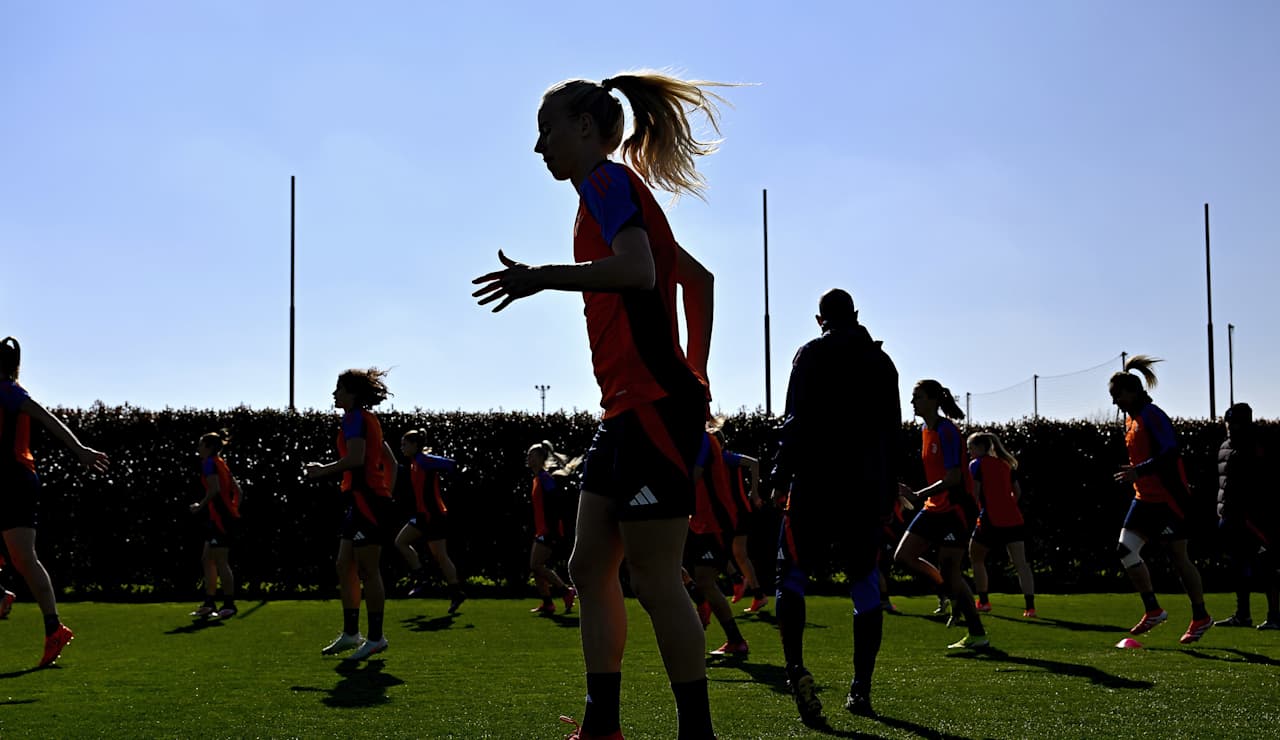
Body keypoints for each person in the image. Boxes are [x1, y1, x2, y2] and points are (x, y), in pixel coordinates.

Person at [472, 70, 727, 740]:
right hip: (626, 411)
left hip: (651, 407)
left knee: (653, 577)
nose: (538, 147)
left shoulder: (610, 184)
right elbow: (695, 279)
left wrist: (541, 278)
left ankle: (696, 733)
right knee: (589, 565)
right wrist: (696, 369)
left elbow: (644, 271)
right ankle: (602, 724)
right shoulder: (602, 195)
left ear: (585, 128)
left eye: (546, 129)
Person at [770, 289, 902, 721]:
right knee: (864, 584)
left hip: (814, 484)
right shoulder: (882, 363)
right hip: (864, 489)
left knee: (790, 575)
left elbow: (794, 420)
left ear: (819, 319)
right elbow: (892, 433)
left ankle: (795, 671)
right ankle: (860, 688)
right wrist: (888, 490)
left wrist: (778, 477)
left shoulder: (809, 354)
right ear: (857, 315)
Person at [0, 336, 109, 666]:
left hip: (15, 479)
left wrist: (81, 452)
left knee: (23, 557)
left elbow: (48, 419)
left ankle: (54, 628)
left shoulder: (9, 391)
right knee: (18, 557)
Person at [1109, 355, 1212, 643]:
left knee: (1179, 558)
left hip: (1169, 500)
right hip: (1144, 498)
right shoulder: (1130, 419)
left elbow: (1169, 453)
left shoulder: (1153, 416)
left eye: (1117, 396)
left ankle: (1201, 616)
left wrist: (1138, 471)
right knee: (1124, 550)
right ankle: (1153, 609)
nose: (1115, 402)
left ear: (1132, 392)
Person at [304, 368, 400, 661]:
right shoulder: (363, 419)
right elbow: (391, 463)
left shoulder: (356, 418)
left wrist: (322, 471)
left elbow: (357, 460)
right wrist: (386, 493)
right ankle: (351, 634)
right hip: (363, 501)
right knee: (344, 564)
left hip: (367, 501)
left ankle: (376, 638)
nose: (334, 393)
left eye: (339, 388)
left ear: (353, 393)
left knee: (368, 570)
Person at [895, 379, 989, 650]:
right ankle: (952, 592)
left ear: (934, 400)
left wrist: (916, 494)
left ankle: (977, 634)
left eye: (918, 397)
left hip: (956, 508)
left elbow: (954, 478)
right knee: (904, 557)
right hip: (934, 507)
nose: (913, 402)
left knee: (951, 572)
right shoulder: (925, 429)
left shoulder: (947, 431)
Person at [1212, 403, 1279, 630]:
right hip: (1230, 517)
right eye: (1229, 422)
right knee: (1239, 568)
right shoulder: (1224, 447)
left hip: (1253, 518)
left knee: (1265, 567)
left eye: (1236, 422)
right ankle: (1243, 615)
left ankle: (1274, 616)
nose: (1231, 427)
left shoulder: (1258, 446)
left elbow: (1265, 483)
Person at [685, 429, 750, 657]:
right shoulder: (699, 439)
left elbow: (693, 476)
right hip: (701, 522)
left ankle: (735, 639)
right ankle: (704, 601)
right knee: (674, 565)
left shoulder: (704, 440)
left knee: (705, 581)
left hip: (714, 522)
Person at [393, 428, 466, 613]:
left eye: (404, 444)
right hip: (422, 516)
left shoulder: (424, 460)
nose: (401, 447)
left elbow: (451, 465)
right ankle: (422, 579)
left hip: (434, 516)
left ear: (415, 445)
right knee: (401, 542)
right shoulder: (414, 462)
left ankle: (455, 592)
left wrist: (457, 473)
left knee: (440, 556)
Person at [966, 432, 1036, 618]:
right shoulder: (1006, 464)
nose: (969, 452)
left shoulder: (976, 465)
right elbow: (1017, 492)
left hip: (990, 518)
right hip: (1013, 518)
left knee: (976, 557)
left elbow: (974, 493)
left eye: (971, 448)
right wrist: (1006, 504)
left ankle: (984, 601)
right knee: (1021, 564)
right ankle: (1030, 607)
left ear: (980, 448)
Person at [187, 428, 242, 619]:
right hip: (220, 517)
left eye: (201, 445)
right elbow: (238, 491)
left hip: (221, 518)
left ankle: (229, 604)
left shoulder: (209, 463)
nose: (198, 448)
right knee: (207, 559)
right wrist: (234, 508)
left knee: (221, 561)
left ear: (209, 447)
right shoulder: (221, 464)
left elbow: (215, 490)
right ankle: (209, 603)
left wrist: (199, 506)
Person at [526, 440, 578, 616]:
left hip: (548, 530)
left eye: (531, 455)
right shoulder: (537, 479)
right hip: (542, 530)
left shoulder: (545, 478)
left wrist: (553, 529)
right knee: (536, 566)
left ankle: (566, 591)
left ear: (540, 458)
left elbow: (556, 502)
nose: (528, 457)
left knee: (536, 565)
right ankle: (548, 603)